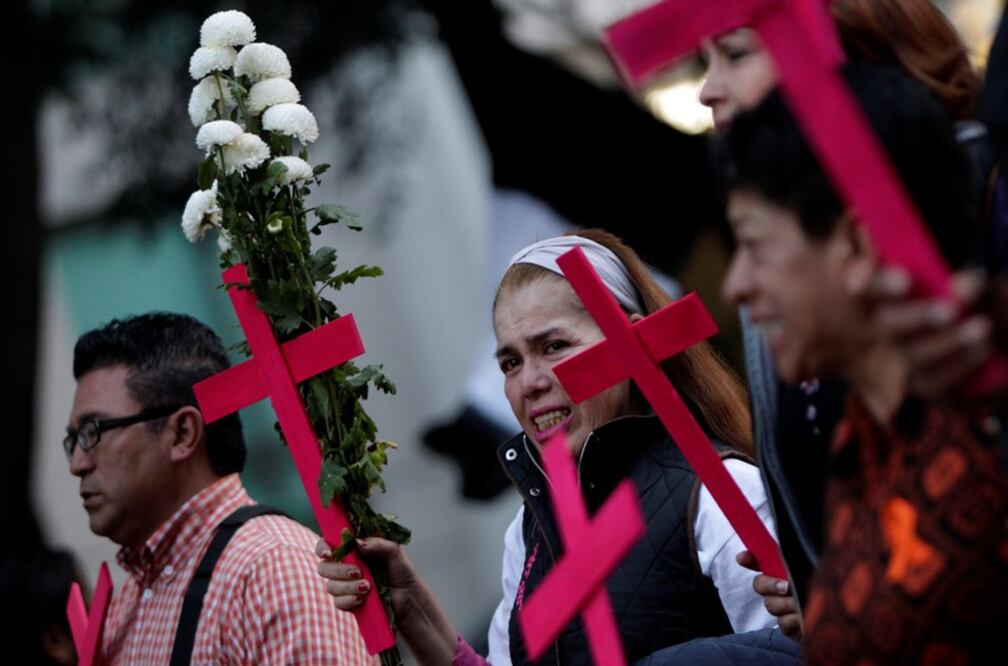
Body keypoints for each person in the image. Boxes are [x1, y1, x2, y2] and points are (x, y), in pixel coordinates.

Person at [318, 229, 782, 665]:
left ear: (632, 339)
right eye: (511, 362)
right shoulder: (529, 530)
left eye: (554, 346)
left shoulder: (722, 494)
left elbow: (798, 650)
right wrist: (409, 604)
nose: (530, 383)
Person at [717, 61, 1008, 664]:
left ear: (856, 244)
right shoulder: (858, 441)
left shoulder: (1003, 390)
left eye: (754, 246)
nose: (735, 285)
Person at [66, 312, 373, 664]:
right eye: (73, 440)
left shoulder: (270, 572)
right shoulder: (130, 604)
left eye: (93, 432)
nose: (77, 463)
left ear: (182, 434)